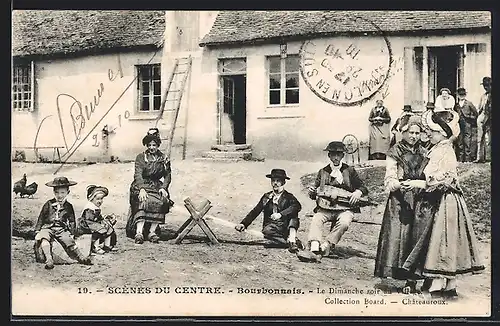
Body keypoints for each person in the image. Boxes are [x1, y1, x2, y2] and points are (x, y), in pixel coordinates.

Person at [400, 109, 485, 298]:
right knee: (443, 241)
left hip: (447, 200)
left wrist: (416, 183)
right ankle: (448, 286)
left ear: (442, 133)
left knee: (444, 241)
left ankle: (439, 286)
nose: (428, 133)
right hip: (442, 198)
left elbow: (442, 180)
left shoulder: (445, 151)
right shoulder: (438, 148)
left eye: (432, 131)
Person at [374, 114, 428, 293]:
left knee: (417, 238)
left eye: (417, 132)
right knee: (401, 238)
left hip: (420, 199)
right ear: (403, 133)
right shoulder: (395, 151)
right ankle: (403, 277)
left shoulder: (425, 151)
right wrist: (393, 182)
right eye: (410, 132)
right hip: (400, 200)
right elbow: (390, 174)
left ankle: (417, 279)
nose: (414, 136)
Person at [297, 141, 369, 263]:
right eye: (333, 154)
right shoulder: (323, 172)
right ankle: (314, 249)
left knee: (345, 222)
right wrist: (312, 192)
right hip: (325, 208)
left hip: (344, 208)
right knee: (316, 219)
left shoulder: (349, 171)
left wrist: (358, 192)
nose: (336, 157)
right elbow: (315, 194)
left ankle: (327, 244)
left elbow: (363, 187)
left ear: (342, 156)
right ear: (329, 156)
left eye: (339, 154)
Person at [235, 169, 303, 253]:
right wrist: (244, 223)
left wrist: (281, 214)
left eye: (278, 181)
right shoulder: (267, 197)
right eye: (273, 180)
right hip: (271, 227)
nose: (275, 183)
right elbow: (256, 211)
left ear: (283, 182)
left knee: (294, 215)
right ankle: (291, 242)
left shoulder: (288, 196)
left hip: (285, 226)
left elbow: (297, 206)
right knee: (267, 230)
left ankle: (291, 239)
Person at [125, 128, 173, 244]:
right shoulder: (141, 157)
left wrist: (164, 188)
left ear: (158, 145)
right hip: (141, 185)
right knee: (143, 200)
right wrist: (141, 188)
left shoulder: (163, 158)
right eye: (149, 145)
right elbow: (138, 175)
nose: (152, 147)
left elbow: (167, 175)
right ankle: (139, 232)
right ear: (146, 145)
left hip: (156, 185)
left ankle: (152, 232)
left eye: (154, 145)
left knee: (162, 200)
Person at [33, 177, 93, 269]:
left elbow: (72, 220)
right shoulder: (48, 204)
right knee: (44, 238)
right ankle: (49, 259)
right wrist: (37, 229)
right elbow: (41, 217)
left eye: (62, 193)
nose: (59, 195)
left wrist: (72, 233)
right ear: (53, 192)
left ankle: (81, 257)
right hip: (48, 227)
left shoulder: (68, 206)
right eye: (57, 192)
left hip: (61, 229)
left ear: (67, 193)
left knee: (68, 240)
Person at [77, 185, 118, 254]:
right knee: (99, 229)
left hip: (93, 223)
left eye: (101, 199)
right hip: (86, 225)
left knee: (108, 226)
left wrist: (105, 219)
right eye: (98, 199)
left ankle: (107, 245)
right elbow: (89, 220)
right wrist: (100, 223)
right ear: (92, 198)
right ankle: (95, 247)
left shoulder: (95, 207)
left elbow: (98, 217)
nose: (100, 201)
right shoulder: (89, 208)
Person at [453, 88, 478, 162]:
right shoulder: (456, 105)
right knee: (460, 141)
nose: (462, 96)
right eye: (460, 95)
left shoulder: (469, 103)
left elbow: (476, 114)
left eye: (463, 95)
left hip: (467, 124)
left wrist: (469, 118)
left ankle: (467, 159)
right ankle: (460, 159)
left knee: (467, 141)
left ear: (465, 95)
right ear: (457, 95)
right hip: (459, 124)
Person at [476, 76, 491, 163]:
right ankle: (480, 158)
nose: (485, 87)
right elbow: (480, 108)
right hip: (482, 117)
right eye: (484, 86)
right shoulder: (483, 96)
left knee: (489, 139)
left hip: (490, 119)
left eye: (487, 85)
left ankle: (489, 158)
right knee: (480, 138)